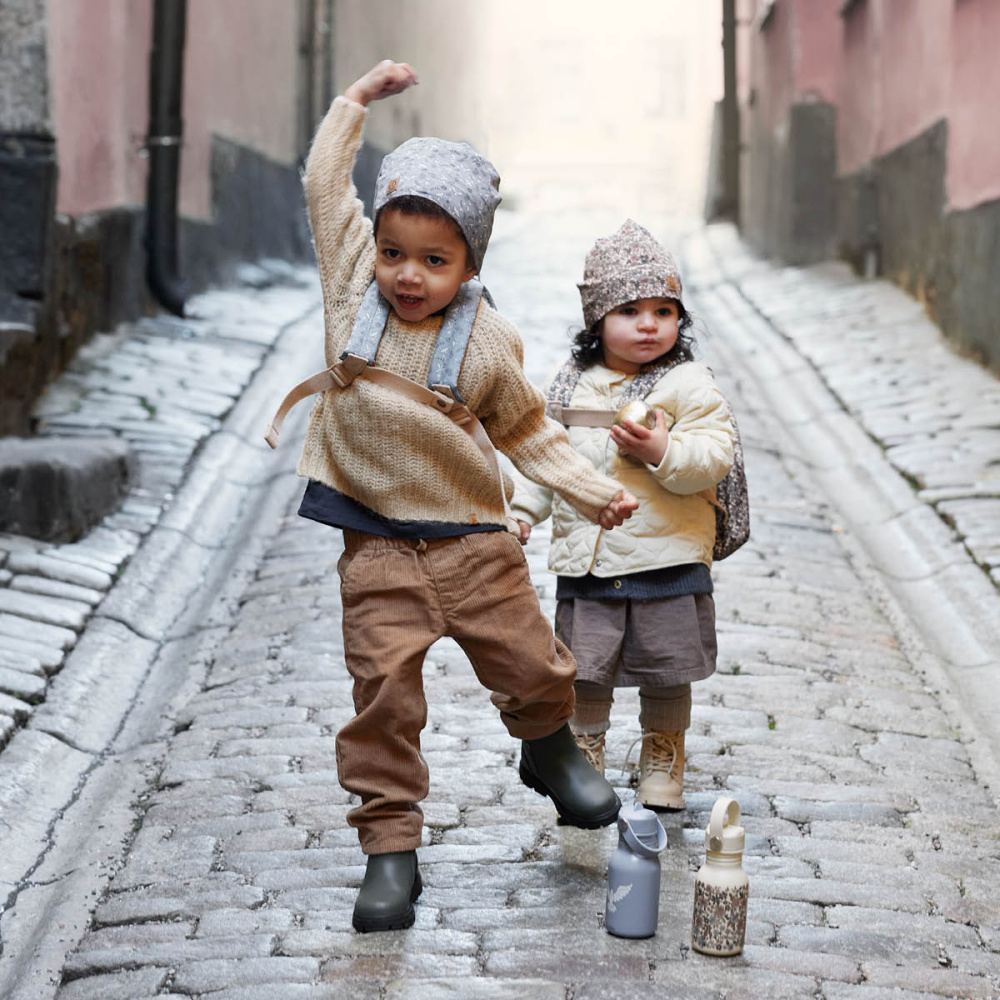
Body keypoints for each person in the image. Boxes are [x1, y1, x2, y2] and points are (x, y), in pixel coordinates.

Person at [288, 60, 638, 933]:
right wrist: (354, 104)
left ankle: (550, 750)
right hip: (375, 544)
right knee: (383, 697)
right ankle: (390, 848)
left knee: (530, 663)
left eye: (434, 261)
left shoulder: (487, 340)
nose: (408, 275)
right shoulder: (349, 286)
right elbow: (326, 186)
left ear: (470, 262)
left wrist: (591, 494)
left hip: (475, 539)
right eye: (395, 253)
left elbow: (527, 431)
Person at [511, 220, 735, 812]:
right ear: (597, 320)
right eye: (631, 310)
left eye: (665, 311)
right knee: (584, 669)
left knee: (668, 667)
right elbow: (546, 459)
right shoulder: (570, 384)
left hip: (668, 556)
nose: (649, 324)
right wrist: (521, 511)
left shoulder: (689, 385)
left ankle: (664, 754)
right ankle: (585, 756)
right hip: (588, 562)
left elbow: (713, 457)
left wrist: (660, 452)